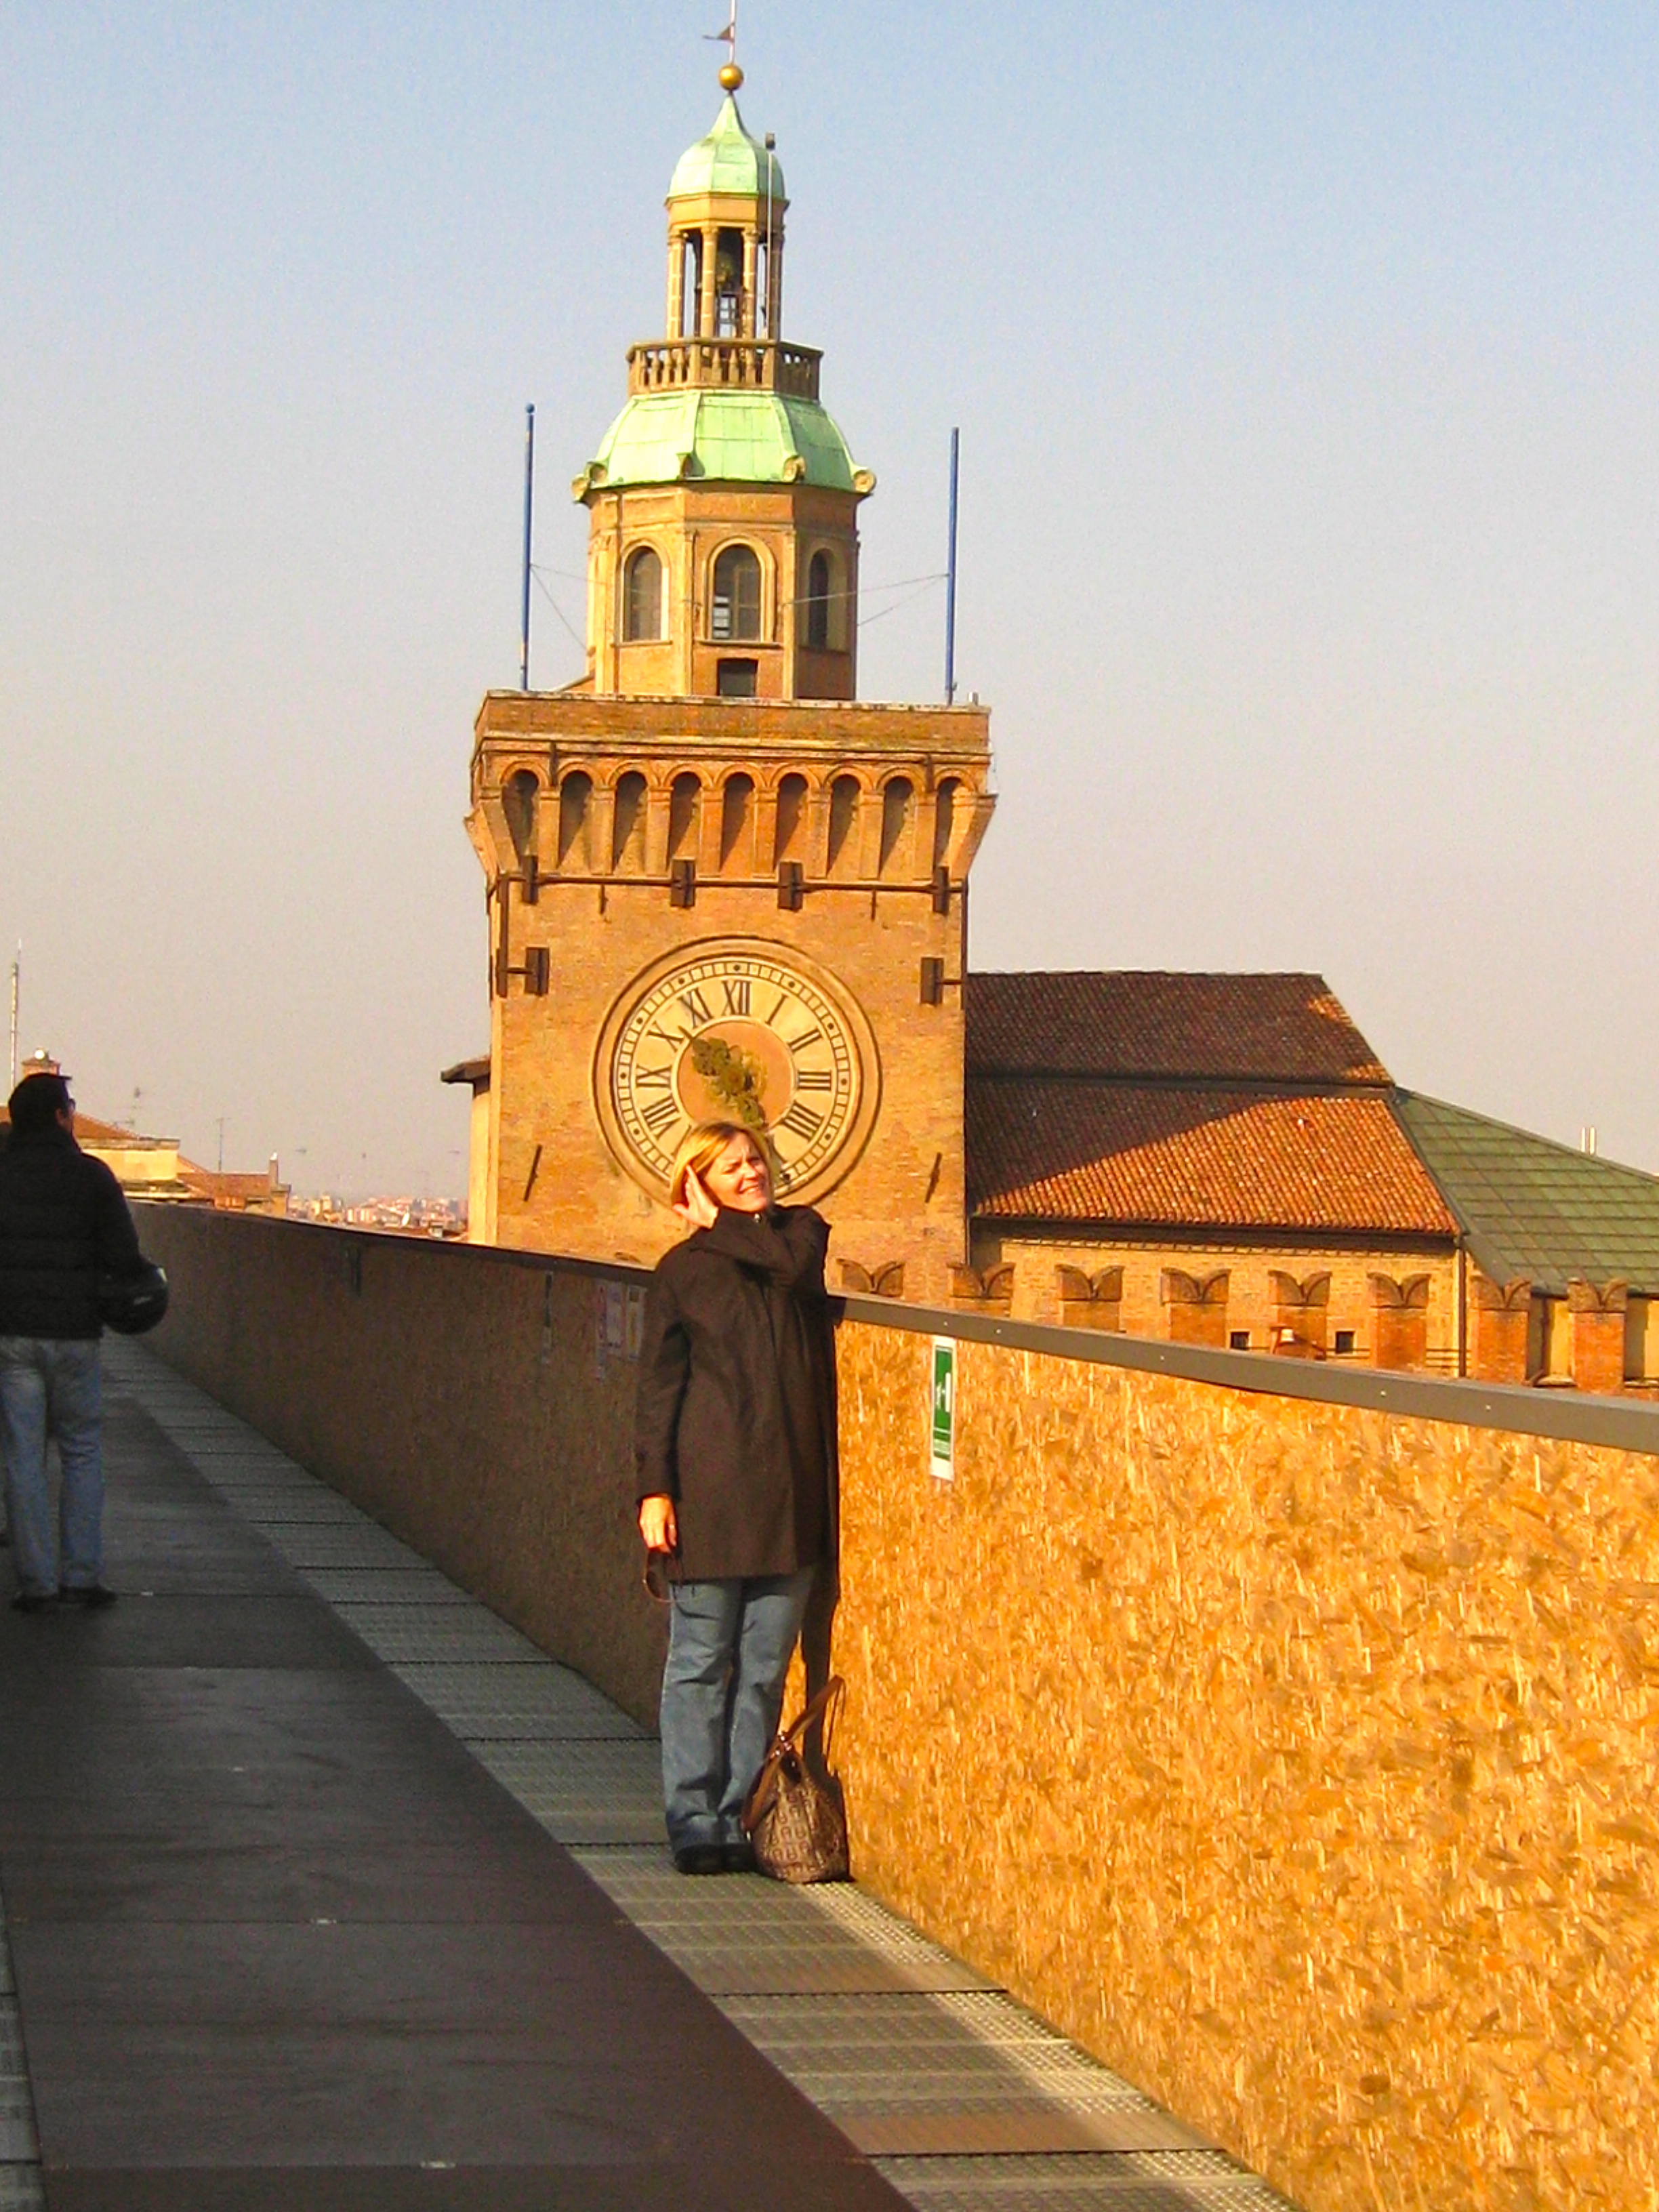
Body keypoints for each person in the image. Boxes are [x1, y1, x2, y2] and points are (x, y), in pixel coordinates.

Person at [634, 1119, 838, 1875]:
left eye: (755, 1159)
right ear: (698, 1183)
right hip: (710, 1495)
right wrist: (654, 1489)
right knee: (699, 1664)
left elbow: (789, 1271)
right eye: (730, 1168)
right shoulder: (681, 1273)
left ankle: (741, 1816)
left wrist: (719, 1225)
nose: (751, 1172)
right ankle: (693, 1820)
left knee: (762, 1671)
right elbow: (659, 1389)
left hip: (790, 1499)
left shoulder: (801, 1234)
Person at [0, 1069, 144, 1612]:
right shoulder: (92, 1177)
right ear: (61, 1117)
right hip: (76, 1335)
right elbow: (124, 1257)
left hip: (14, 1334)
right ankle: (82, 1576)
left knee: (23, 1457)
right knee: (82, 1451)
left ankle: (36, 1584)